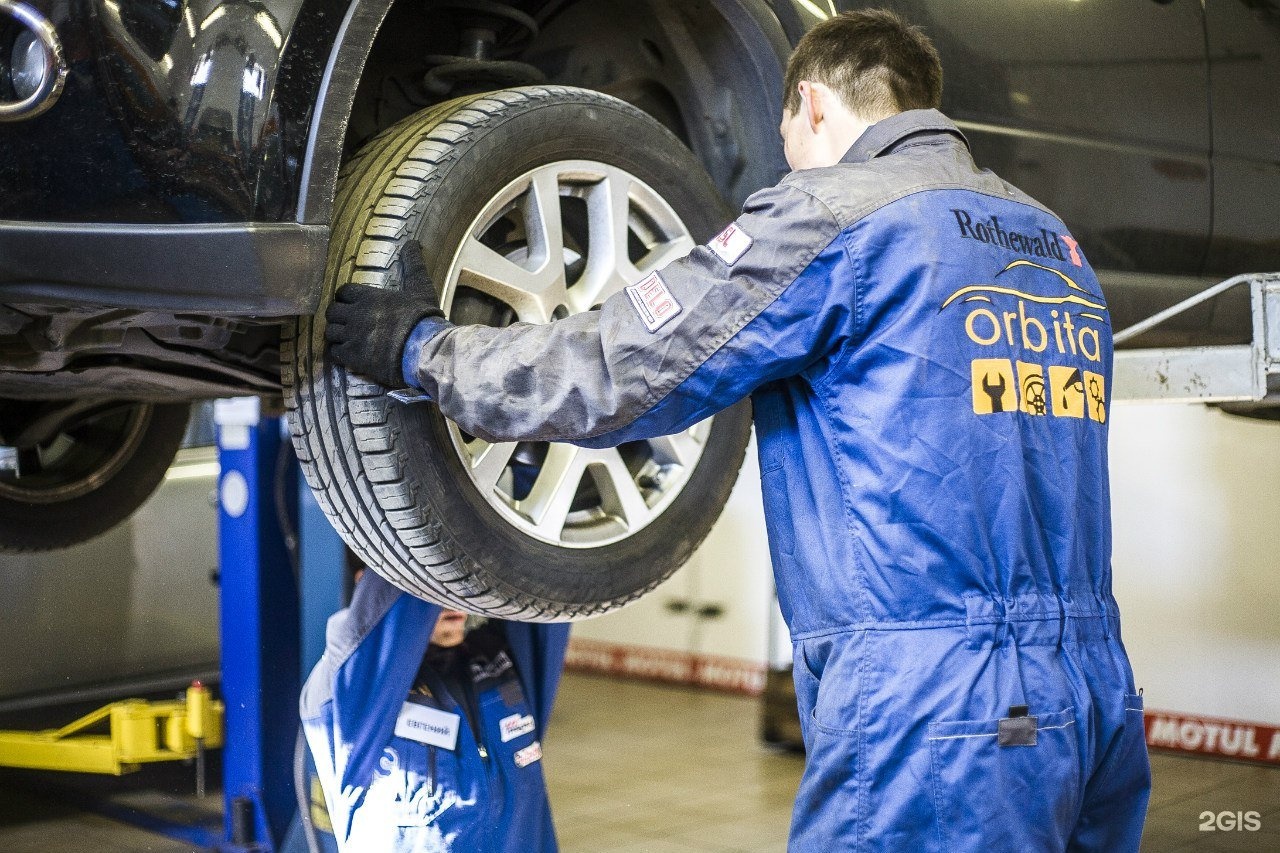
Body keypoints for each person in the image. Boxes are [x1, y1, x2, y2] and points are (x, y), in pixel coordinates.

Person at [324, 9, 1151, 851]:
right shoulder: (1051, 243)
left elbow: (621, 368)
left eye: (785, 129)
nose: (782, 155)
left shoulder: (834, 212)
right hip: (1095, 691)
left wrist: (427, 348)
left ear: (812, 103)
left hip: (937, 702)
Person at [300, 569, 570, 852]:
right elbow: (406, 552)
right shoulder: (353, 692)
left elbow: (555, 586)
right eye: (440, 584)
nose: (455, 595)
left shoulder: (499, 663)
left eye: (462, 581)